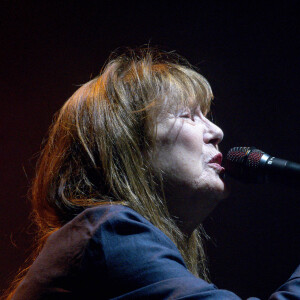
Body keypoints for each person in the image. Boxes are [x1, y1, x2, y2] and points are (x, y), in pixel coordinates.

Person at [5, 48, 299, 299]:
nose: (217, 132)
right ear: (127, 146)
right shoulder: (110, 232)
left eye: (206, 116)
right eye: (186, 115)